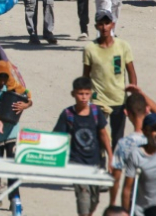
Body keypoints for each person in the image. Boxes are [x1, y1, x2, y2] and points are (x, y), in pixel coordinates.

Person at [54, 77, 113, 216]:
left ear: (91, 93)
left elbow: (103, 134)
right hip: (76, 164)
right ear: (73, 94)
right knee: (83, 196)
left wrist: (111, 157)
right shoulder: (67, 114)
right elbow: (57, 137)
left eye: (87, 94)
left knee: (94, 199)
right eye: (80, 94)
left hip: (95, 163)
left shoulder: (95, 112)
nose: (83, 97)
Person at [83, 10, 138, 150]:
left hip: (119, 100)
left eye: (107, 23)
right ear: (96, 27)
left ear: (112, 25)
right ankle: (100, 168)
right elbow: (86, 76)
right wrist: (85, 99)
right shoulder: (90, 49)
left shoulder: (123, 46)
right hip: (98, 101)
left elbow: (131, 72)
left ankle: (114, 170)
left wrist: (133, 98)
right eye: (101, 24)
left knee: (117, 141)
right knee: (99, 139)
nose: (104, 27)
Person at [0, 61, 32, 209]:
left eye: (5, 77)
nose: (2, 81)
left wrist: (26, 105)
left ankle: (14, 198)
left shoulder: (13, 85)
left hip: (11, 132)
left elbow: (28, 96)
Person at [110, 86, 156, 205]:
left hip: (135, 201)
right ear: (147, 109)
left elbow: (116, 177)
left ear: (126, 113)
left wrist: (112, 203)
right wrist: (142, 94)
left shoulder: (124, 144)